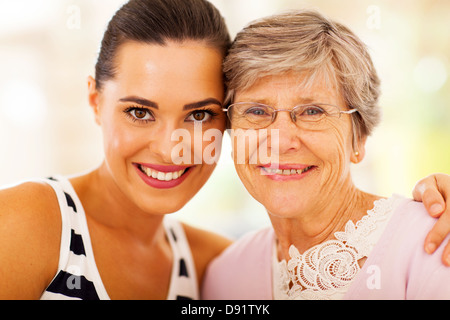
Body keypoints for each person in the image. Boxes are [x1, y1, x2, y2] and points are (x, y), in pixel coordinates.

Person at [0, 0, 448, 300]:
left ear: (360, 136)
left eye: (198, 115)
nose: (172, 145)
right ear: (95, 102)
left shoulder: (207, 265)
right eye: (140, 111)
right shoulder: (27, 224)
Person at [202, 10, 450, 300]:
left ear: (359, 136)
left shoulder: (434, 241)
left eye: (312, 111)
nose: (281, 141)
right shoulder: (224, 275)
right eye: (256, 111)